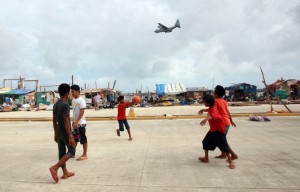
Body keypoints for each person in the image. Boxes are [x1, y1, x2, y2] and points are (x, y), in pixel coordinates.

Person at [199, 85, 238, 160]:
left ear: (216, 93)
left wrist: (205, 116)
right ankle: (224, 154)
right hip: (227, 121)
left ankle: (233, 155)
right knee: (221, 140)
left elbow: (213, 109)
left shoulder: (215, 101)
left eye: (214, 91)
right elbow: (227, 111)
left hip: (221, 123)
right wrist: (231, 120)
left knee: (222, 141)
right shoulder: (223, 101)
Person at [49, 83, 75, 183]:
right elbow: (66, 121)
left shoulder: (56, 104)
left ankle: (65, 173)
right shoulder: (65, 105)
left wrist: (55, 133)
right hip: (65, 131)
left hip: (59, 131)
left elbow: (54, 120)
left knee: (61, 152)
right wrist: (70, 135)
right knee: (72, 151)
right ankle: (55, 168)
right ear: (67, 93)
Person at [71, 84, 88, 161]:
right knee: (75, 138)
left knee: (83, 139)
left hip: (81, 123)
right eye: (71, 91)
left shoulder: (81, 100)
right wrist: (74, 121)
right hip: (75, 123)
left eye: (73, 91)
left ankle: (85, 154)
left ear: (78, 91)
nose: (72, 93)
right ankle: (72, 152)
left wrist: (77, 122)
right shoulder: (73, 100)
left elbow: (81, 112)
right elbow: (74, 111)